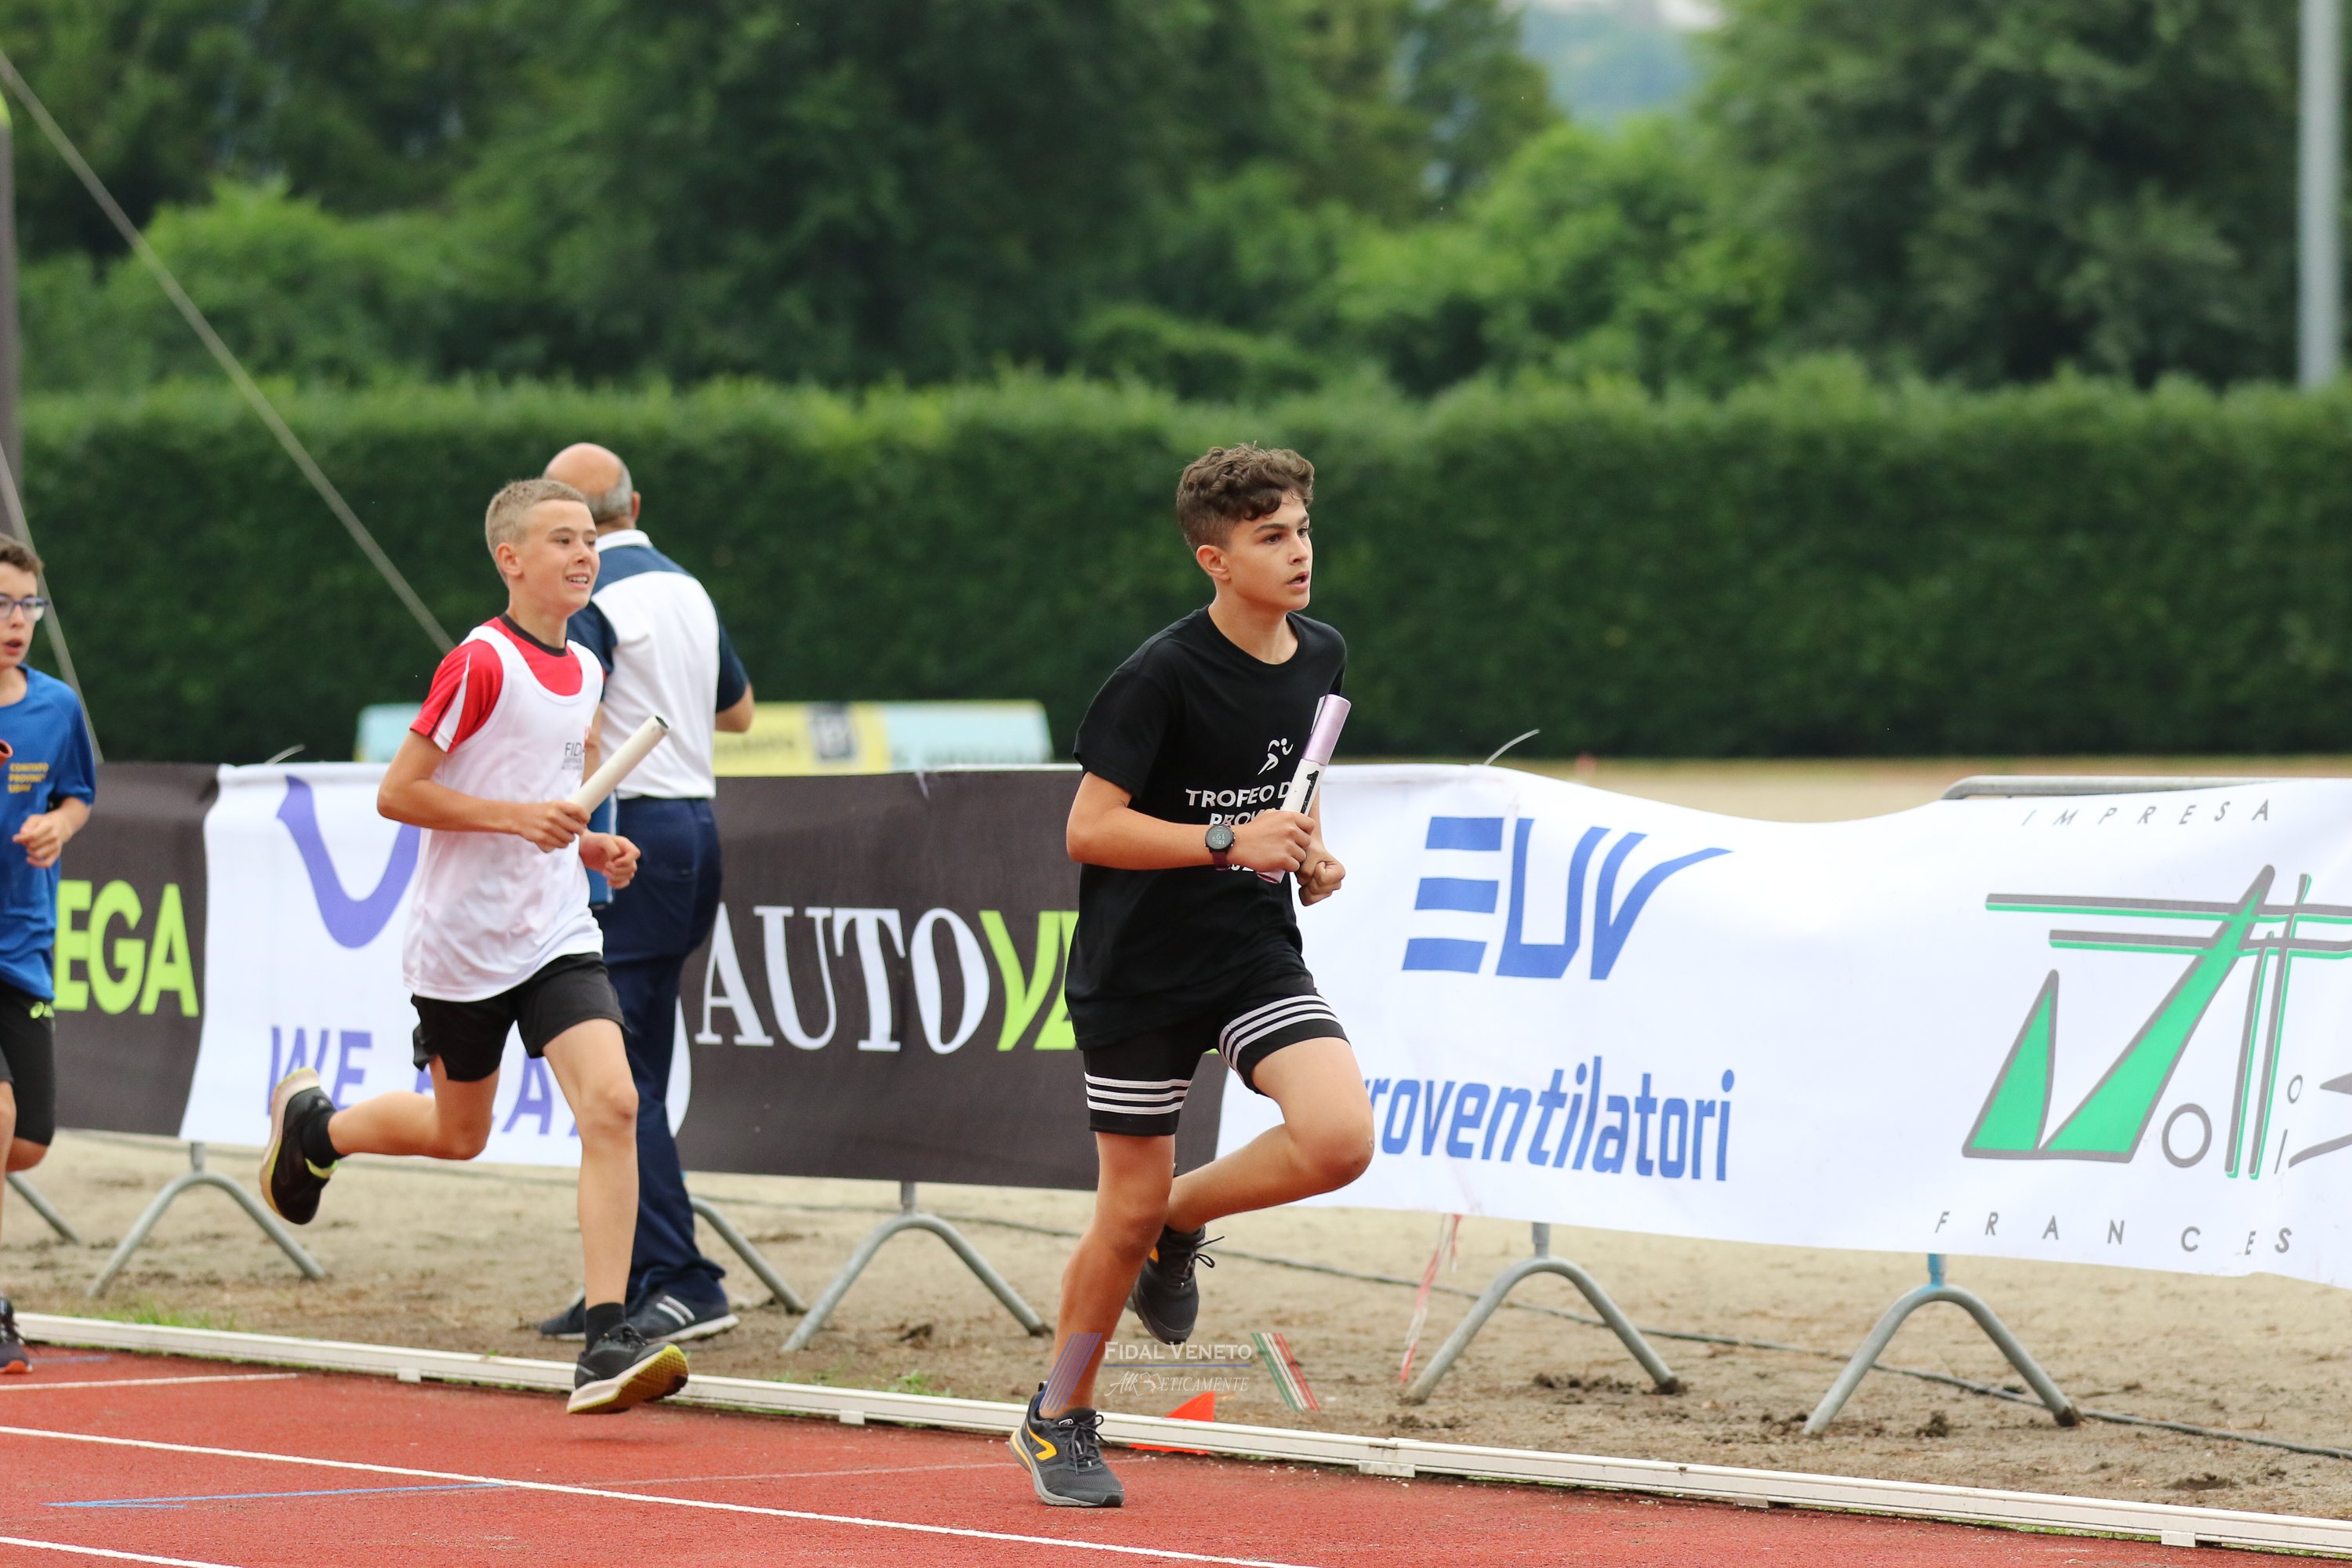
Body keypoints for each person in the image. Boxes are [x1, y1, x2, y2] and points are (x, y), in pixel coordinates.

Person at [261, 478, 688, 1416]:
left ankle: (607, 1337)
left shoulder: (588, 668)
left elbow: (553, 794)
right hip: (461, 943)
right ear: (511, 558)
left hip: (557, 931)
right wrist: (516, 818)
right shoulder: (480, 662)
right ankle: (316, 1130)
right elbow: (399, 792)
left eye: (589, 539)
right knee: (460, 1134)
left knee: (613, 1103)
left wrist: (588, 844)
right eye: (562, 539)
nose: (584, 554)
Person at [1016, 445, 1374, 1508]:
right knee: (1117, 1214)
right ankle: (1058, 1415)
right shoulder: (1158, 675)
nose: (1299, 551)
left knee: (1340, 1139)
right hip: (1137, 972)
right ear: (1215, 559)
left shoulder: (1323, 652)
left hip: (1252, 950)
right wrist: (1228, 840)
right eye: (1272, 537)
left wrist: (1311, 851)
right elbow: (1089, 829)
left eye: (1302, 529)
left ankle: (1177, 1220)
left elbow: (1297, 783)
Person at [527, 442, 753, 1348]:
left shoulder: (593, 595)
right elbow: (739, 710)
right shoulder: (686, 586)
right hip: (695, 824)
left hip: (629, 832)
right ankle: (620, 1280)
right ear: (636, 503)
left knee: (619, 1078)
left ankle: (681, 1277)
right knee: (633, 1068)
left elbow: (573, 723)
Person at [0, 538, 93, 1377]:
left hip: (23, 941)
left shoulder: (55, 706)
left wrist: (58, 826)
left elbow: (77, 794)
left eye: (27, 604)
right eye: (1, 604)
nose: (16, 620)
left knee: (27, 1140)